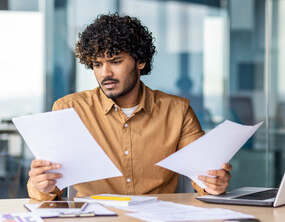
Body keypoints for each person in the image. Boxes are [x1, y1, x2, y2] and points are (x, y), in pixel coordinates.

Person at [27, 13, 232, 201]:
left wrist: (214, 183)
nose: (105, 73)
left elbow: (203, 176)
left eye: (115, 61)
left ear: (140, 61)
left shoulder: (178, 111)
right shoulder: (69, 109)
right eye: (97, 65)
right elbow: (48, 187)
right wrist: (42, 185)